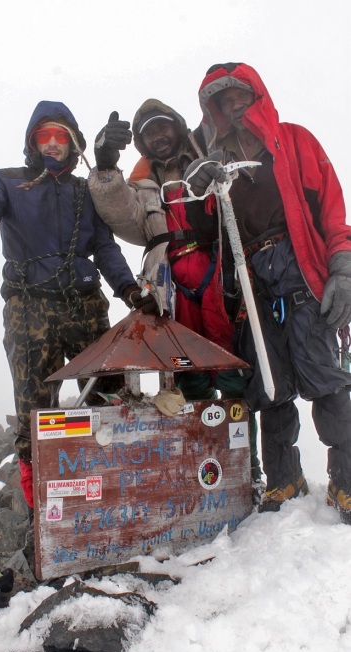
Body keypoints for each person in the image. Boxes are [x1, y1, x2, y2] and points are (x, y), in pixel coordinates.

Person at [0, 100, 157, 509]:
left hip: (85, 305)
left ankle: (112, 494)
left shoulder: (85, 190)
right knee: (34, 409)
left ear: (73, 142)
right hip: (29, 309)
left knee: (108, 396)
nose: (53, 143)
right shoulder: (5, 182)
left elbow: (103, 247)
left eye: (62, 136)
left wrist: (129, 289)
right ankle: (43, 512)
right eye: (45, 135)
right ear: (33, 141)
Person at [183, 62, 351, 523]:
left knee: (324, 379)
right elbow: (206, 233)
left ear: (257, 95)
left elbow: (332, 212)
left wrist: (344, 271)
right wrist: (200, 190)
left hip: (303, 276)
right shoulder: (215, 168)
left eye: (240, 96)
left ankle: (348, 481)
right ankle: (284, 478)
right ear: (213, 109)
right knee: (269, 386)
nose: (234, 107)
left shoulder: (295, 142)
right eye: (223, 101)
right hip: (253, 287)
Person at [88, 100, 263, 487]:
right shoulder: (139, 184)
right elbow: (120, 214)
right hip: (171, 286)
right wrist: (104, 168)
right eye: (148, 132)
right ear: (142, 142)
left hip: (218, 275)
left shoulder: (208, 156)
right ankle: (203, 470)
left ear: (179, 127)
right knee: (189, 376)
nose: (158, 136)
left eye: (163, 127)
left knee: (229, 368)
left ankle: (246, 470)